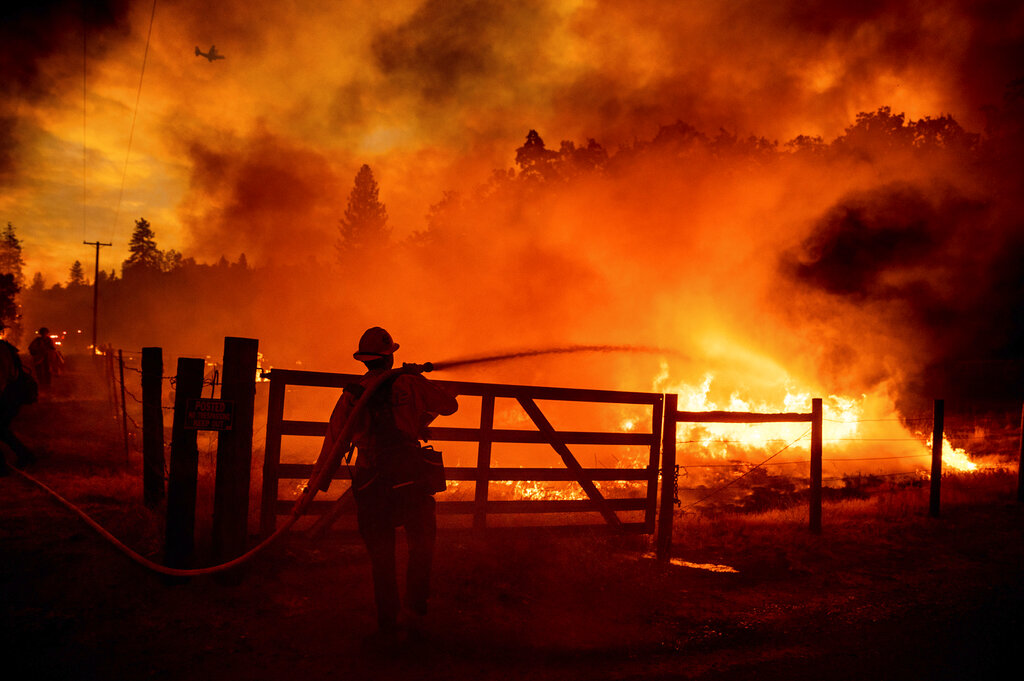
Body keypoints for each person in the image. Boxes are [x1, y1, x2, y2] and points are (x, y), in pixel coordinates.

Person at [315, 326, 458, 639]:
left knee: (381, 555)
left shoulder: (352, 394)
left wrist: (316, 486)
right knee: (422, 544)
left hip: (372, 482)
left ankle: (388, 622)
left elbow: (335, 439)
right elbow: (449, 405)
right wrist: (417, 382)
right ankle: (415, 611)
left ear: (365, 361)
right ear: (391, 356)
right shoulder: (408, 382)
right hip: (410, 478)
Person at [0, 322, 36, 475]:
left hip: (7, 396)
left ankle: (4, 466)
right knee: (1, 430)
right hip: (8, 395)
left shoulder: (1, 350)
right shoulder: (4, 348)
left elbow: (4, 376)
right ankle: (25, 456)